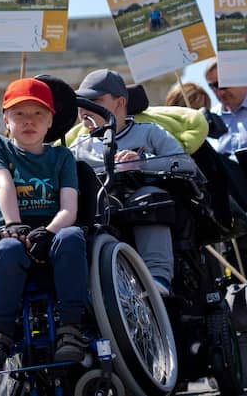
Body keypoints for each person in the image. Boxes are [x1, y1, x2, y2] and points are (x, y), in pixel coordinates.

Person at [0, 78, 86, 373]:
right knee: (8, 250)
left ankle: (71, 326)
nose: (29, 121)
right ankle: (0, 331)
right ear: (6, 120)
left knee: (73, 237)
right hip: (13, 228)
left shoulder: (62, 156)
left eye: (38, 113)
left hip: (54, 228)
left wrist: (49, 232)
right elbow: (4, 183)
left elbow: (69, 208)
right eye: (19, 114)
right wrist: (15, 225)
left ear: (50, 121)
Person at [69, 69, 183, 294]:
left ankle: (158, 277)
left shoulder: (150, 133)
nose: (84, 110)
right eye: (81, 103)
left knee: (149, 198)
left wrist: (143, 161)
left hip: (143, 205)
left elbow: (185, 164)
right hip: (100, 210)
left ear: (120, 102)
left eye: (94, 101)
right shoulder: (78, 147)